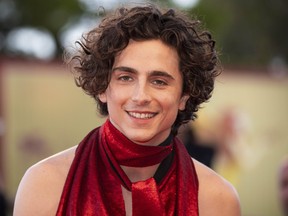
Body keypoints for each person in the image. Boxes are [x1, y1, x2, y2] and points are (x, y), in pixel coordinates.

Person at [13, 4, 241, 216]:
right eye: (125, 77)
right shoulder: (46, 184)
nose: (140, 96)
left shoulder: (218, 199)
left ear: (184, 95)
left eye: (159, 81)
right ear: (102, 87)